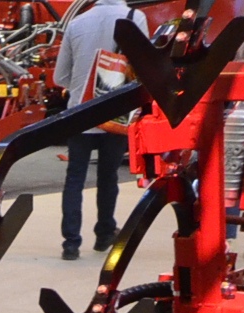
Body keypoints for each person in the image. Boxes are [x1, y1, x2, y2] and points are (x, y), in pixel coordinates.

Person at [53, 0, 145, 261]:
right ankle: (104, 233)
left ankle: (71, 243)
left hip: (80, 113)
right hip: (115, 112)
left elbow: (60, 76)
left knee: (74, 179)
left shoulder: (76, 23)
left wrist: (83, 86)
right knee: (108, 177)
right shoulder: (135, 18)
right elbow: (143, 67)